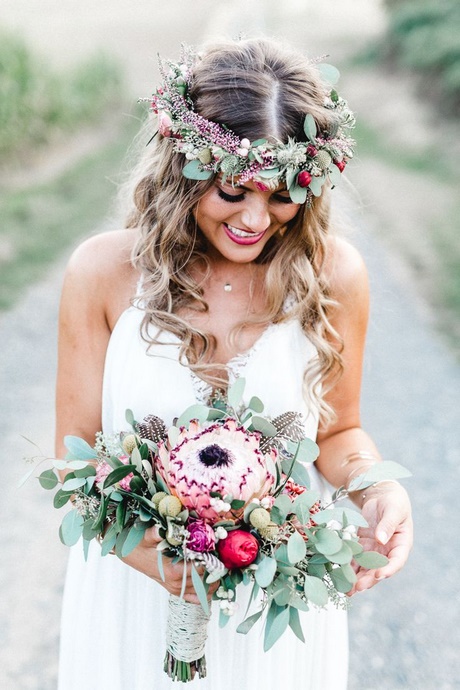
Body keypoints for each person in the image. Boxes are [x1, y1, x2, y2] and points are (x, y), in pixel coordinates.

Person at [55, 37, 413, 690]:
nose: (256, 219)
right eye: (232, 191)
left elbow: (338, 432)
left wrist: (376, 487)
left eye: (282, 197)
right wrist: (142, 551)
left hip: (273, 610)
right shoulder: (102, 273)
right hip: (133, 601)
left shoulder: (333, 276)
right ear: (186, 167)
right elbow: (75, 458)